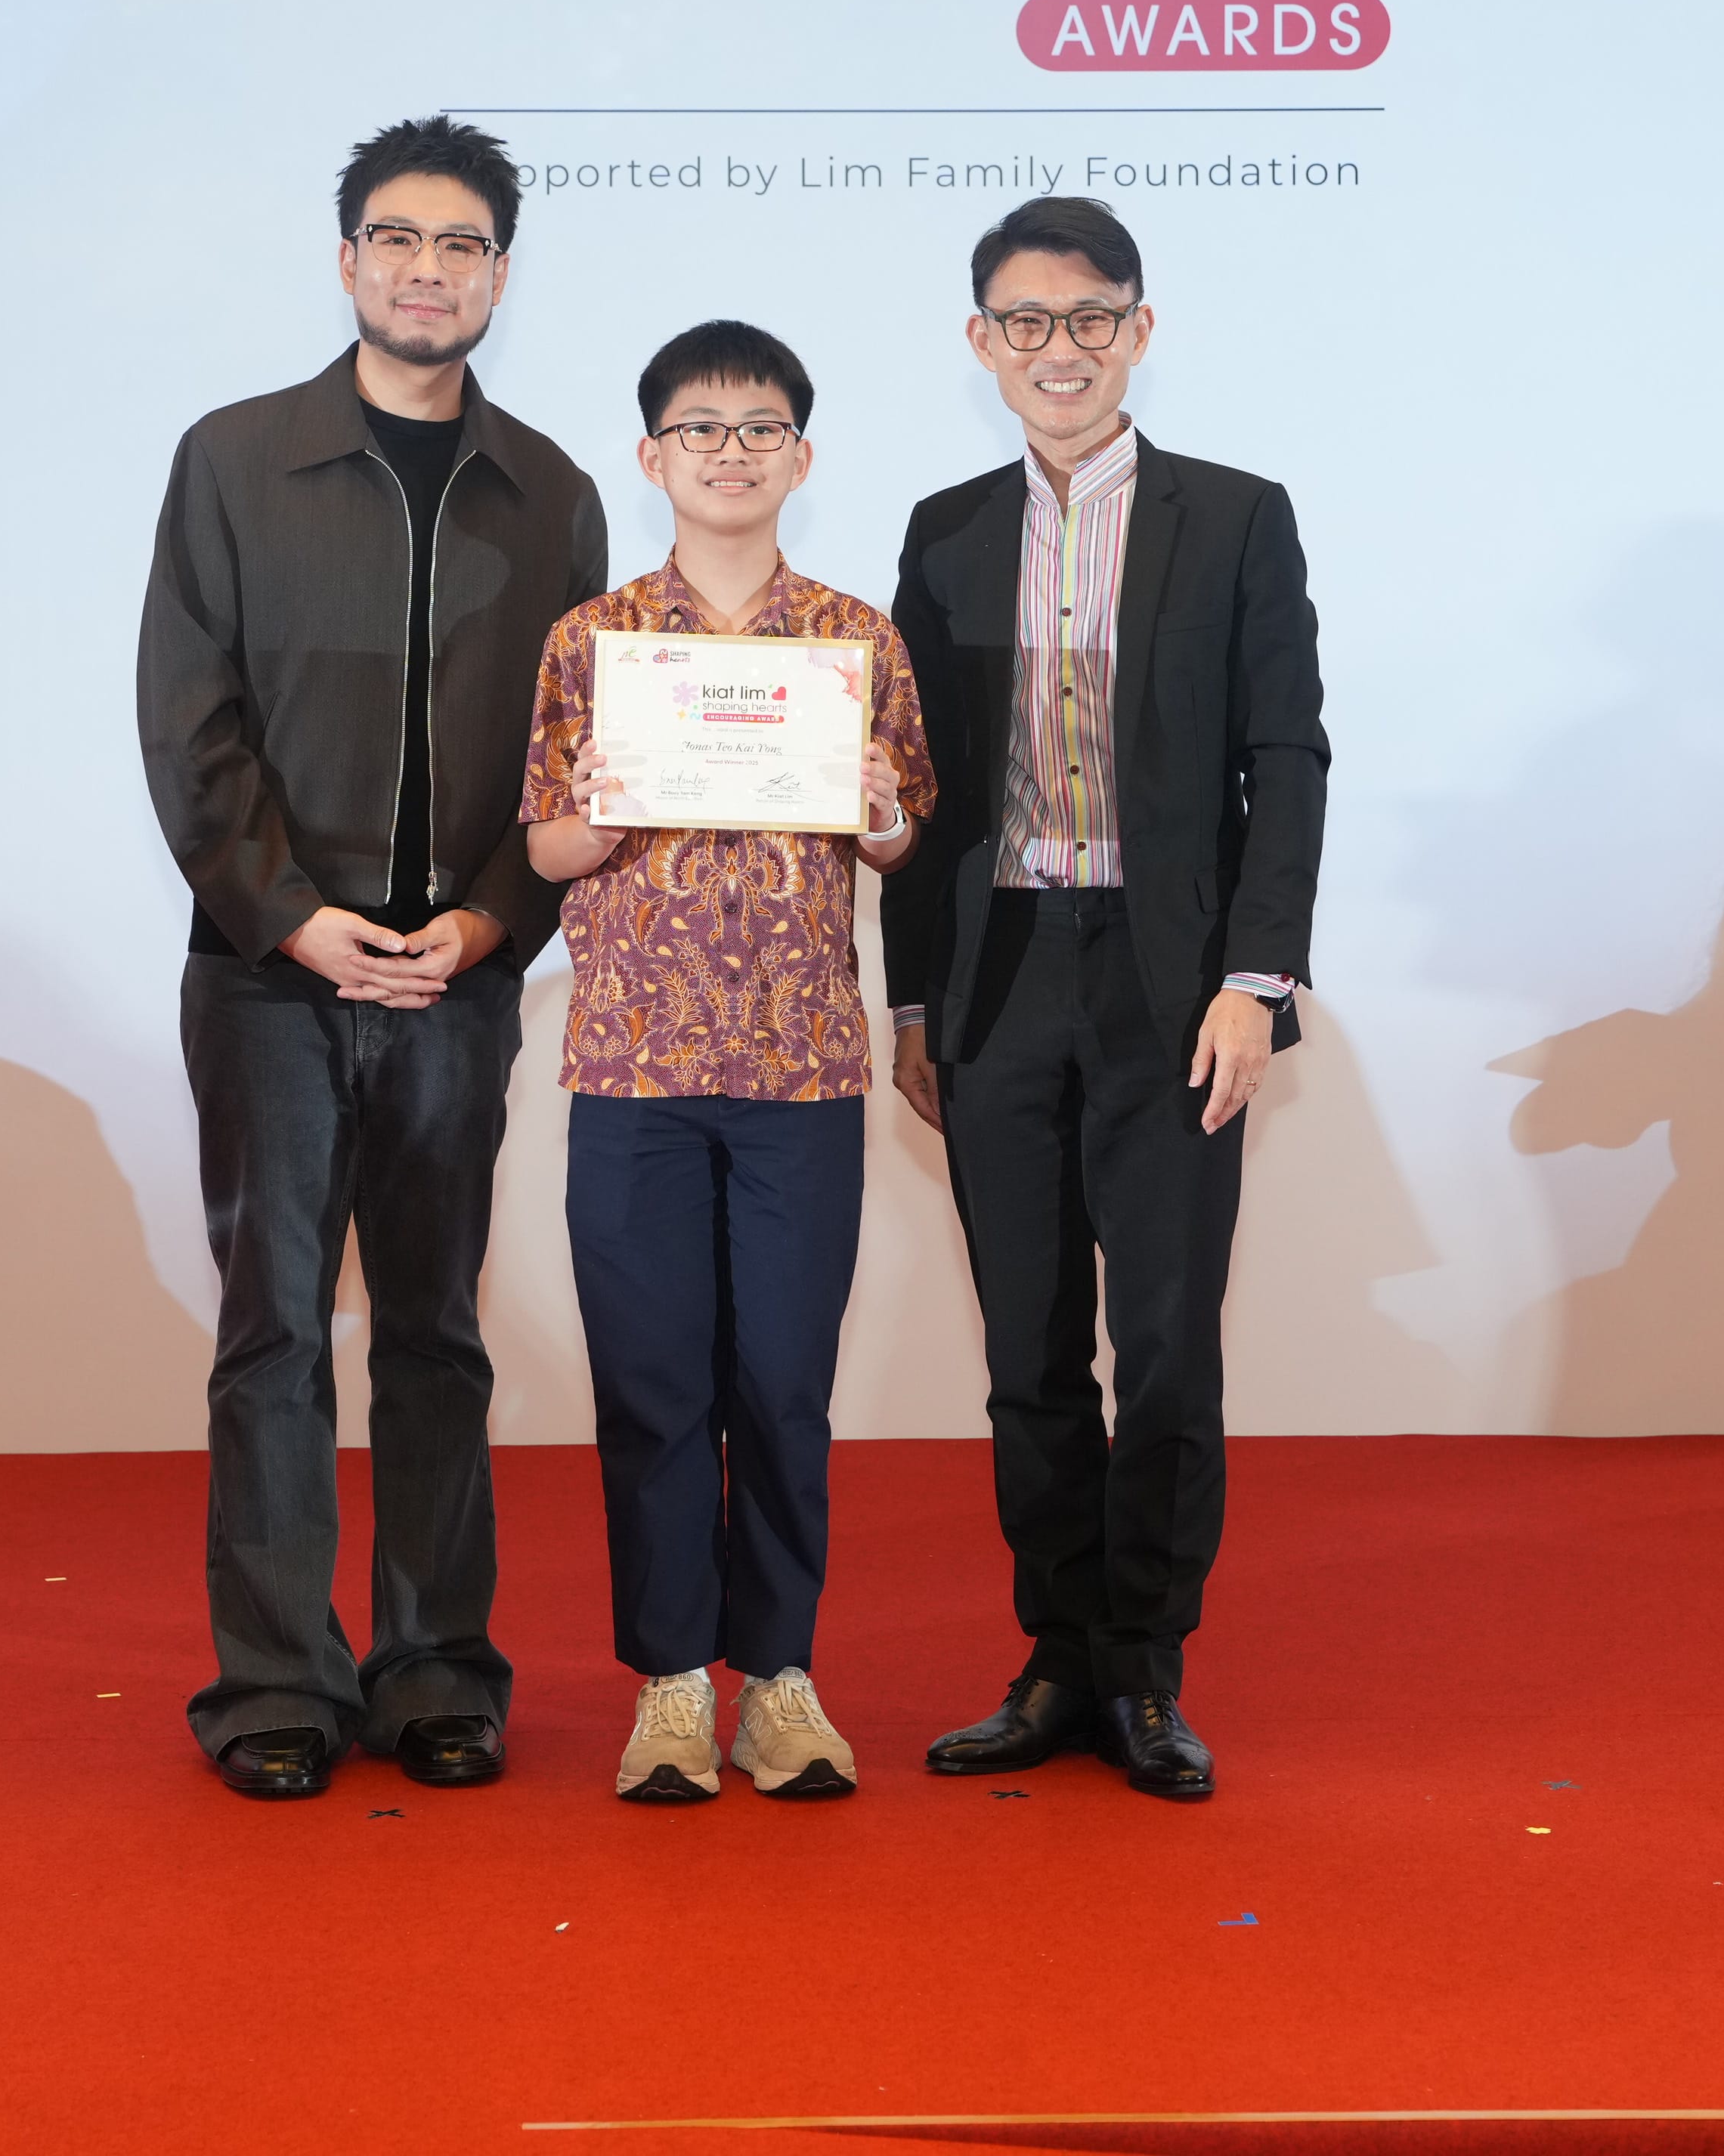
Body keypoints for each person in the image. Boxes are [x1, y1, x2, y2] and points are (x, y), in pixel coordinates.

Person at [136, 113, 607, 1802]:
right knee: (272, 1332)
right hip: (272, 974)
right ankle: (275, 1680)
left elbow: (575, 758)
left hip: (458, 983)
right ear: (348, 260)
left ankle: (435, 1672)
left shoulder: (553, 493)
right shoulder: (234, 460)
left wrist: (489, 923)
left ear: (500, 275)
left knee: (434, 1333)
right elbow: (188, 722)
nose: (429, 271)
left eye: (462, 245)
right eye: (399, 240)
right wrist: (289, 914)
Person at [883, 196, 1327, 1802]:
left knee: (1166, 1349)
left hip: (1169, 983)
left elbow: (1285, 758)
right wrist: (913, 1003)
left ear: (1139, 330)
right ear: (982, 341)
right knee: (1026, 1353)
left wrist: (1253, 983)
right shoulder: (943, 529)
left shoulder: (1237, 517)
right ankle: (1058, 1659)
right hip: (999, 975)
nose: (1056, 350)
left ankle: (1144, 1670)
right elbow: (918, 785)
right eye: (1025, 322)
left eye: (1088, 320)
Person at [521, 321, 934, 1802]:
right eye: (700, 428)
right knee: (651, 1387)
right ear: (653, 458)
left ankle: (782, 1682)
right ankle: (673, 1687)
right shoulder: (594, 641)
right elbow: (546, 848)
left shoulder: (853, 640)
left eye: (761, 428)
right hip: (634, 1068)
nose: (731, 452)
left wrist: (877, 807)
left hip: (801, 1072)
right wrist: (603, 811)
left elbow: (899, 838)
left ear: (801, 458)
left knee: (781, 1387)